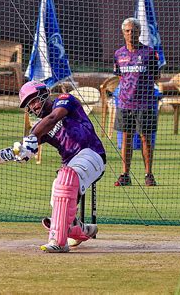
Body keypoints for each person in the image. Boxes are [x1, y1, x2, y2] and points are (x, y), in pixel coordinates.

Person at [16, 80, 106, 253]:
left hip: (92, 154)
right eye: (29, 105)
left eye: (34, 100)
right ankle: (80, 229)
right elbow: (31, 145)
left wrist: (32, 136)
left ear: (44, 94)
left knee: (66, 179)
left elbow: (52, 118)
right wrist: (22, 151)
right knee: (60, 192)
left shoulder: (64, 100)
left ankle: (58, 240)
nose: (33, 107)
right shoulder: (40, 127)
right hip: (70, 166)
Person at [113, 17, 161, 187]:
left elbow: (157, 76)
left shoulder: (149, 53)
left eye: (134, 31)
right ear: (123, 32)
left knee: (145, 139)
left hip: (145, 104)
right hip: (124, 104)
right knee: (126, 139)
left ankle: (149, 174)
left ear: (139, 32)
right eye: (127, 31)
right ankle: (124, 175)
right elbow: (120, 76)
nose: (130, 34)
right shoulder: (118, 54)